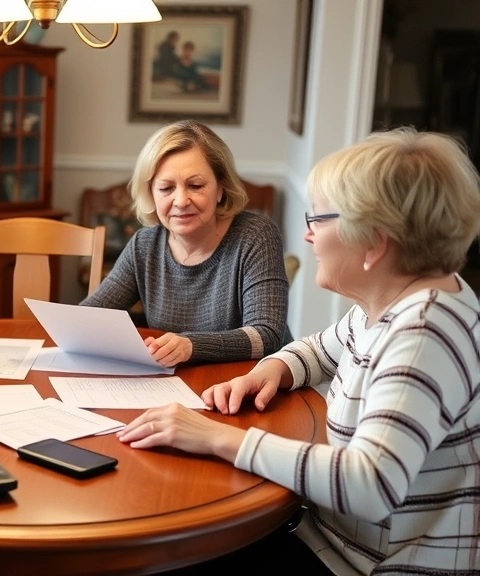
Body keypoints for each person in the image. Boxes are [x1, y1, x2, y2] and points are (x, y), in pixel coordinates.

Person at [118, 128, 480, 575]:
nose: (309, 237)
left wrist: (217, 438)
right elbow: (318, 350)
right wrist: (269, 370)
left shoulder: (423, 336)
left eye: (320, 221)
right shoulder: (390, 303)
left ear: (374, 242)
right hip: (325, 533)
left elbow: (369, 484)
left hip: (364, 564)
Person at [80, 120, 289, 367]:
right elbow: (88, 317)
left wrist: (190, 345)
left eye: (196, 185)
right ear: (151, 193)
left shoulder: (255, 235)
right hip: (171, 386)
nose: (180, 200)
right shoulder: (144, 245)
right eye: (166, 188)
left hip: (241, 386)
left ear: (221, 188)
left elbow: (267, 335)